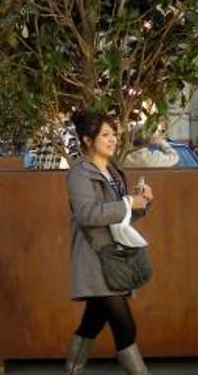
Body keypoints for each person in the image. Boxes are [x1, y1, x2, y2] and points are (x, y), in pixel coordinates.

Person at [64, 112, 153, 375]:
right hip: (95, 256)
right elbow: (87, 214)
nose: (113, 139)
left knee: (92, 322)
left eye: (113, 133)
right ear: (87, 140)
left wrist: (142, 204)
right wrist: (127, 203)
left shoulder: (113, 171)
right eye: (105, 134)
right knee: (125, 326)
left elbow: (121, 217)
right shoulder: (80, 173)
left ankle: (72, 370)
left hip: (114, 256)